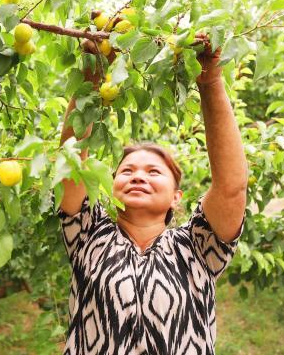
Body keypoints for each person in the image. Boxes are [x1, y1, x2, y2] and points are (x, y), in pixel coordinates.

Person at [58, 35, 247, 354]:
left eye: (154, 172)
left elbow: (231, 187)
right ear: (112, 185)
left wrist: (210, 80)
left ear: (177, 197)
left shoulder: (197, 248)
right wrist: (92, 78)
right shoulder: (89, 235)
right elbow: (71, 161)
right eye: (127, 171)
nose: (139, 177)